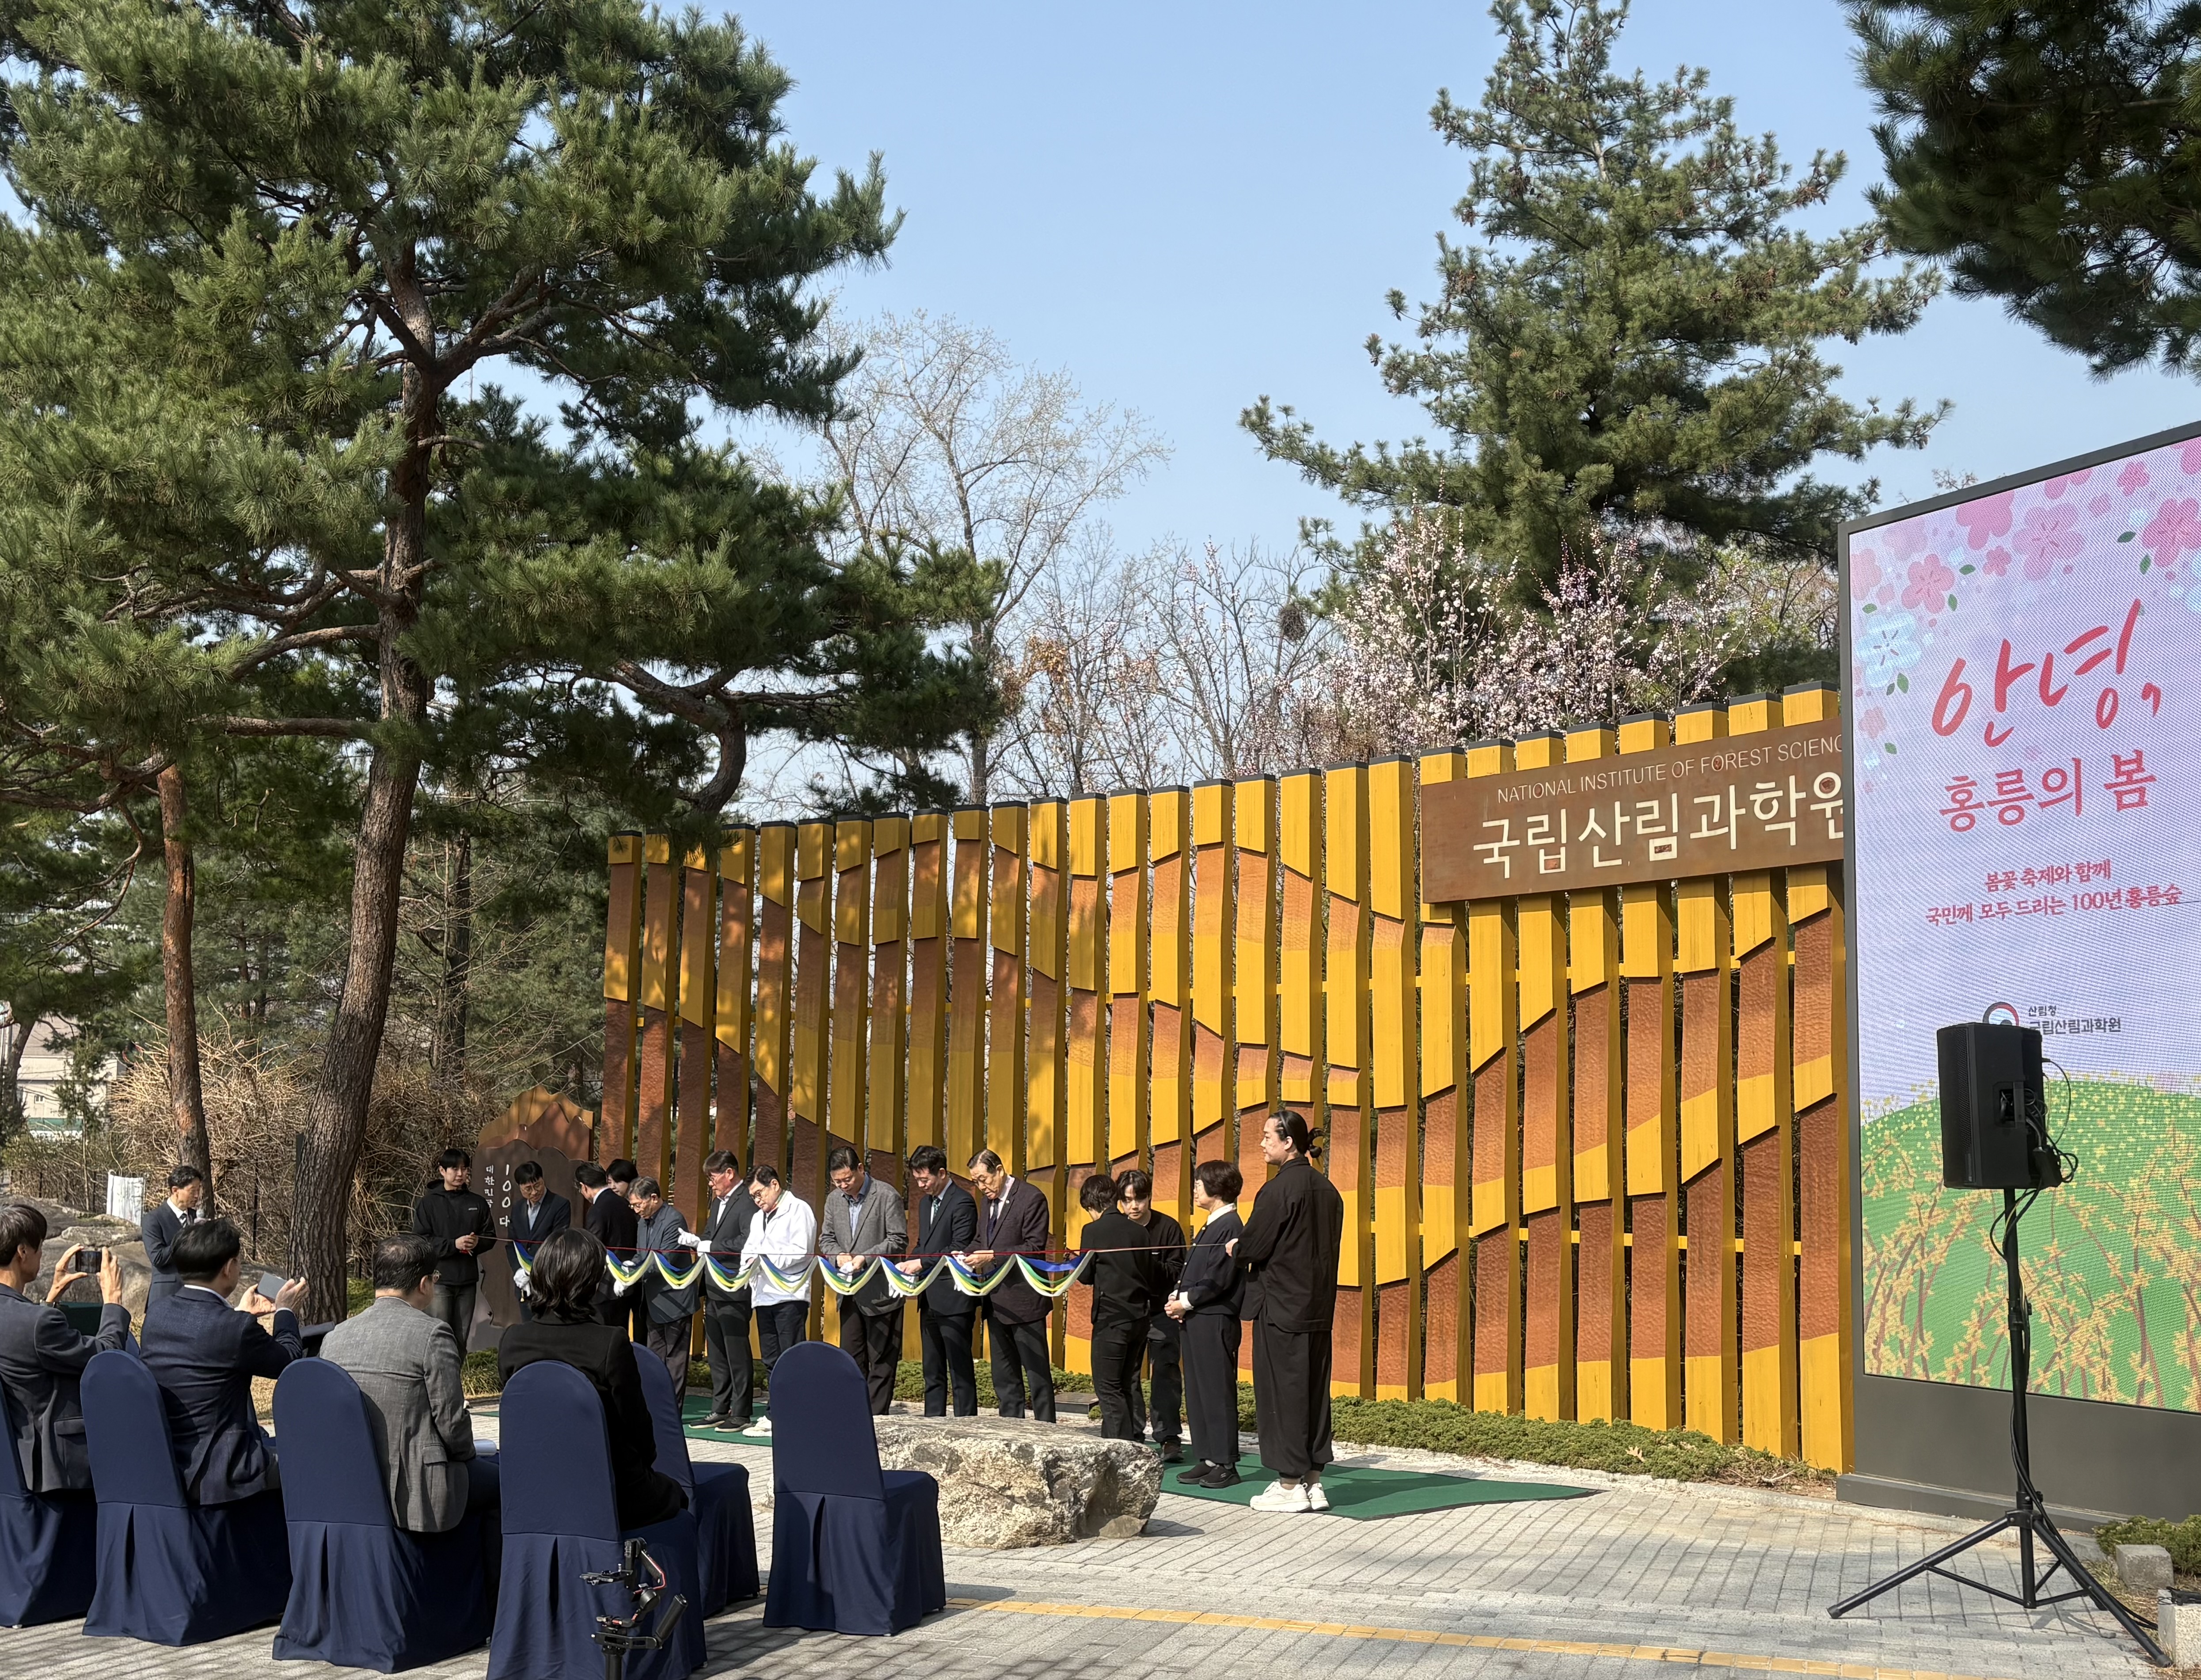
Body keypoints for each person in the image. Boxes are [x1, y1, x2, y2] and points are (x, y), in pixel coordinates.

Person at [496, 1228, 685, 1530]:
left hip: (534, 1492)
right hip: (610, 1493)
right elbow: (641, 1439)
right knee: (681, 1495)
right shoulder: (609, 1342)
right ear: (593, 1282)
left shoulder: (513, 1340)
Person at [319, 1236, 498, 1534]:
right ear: (426, 1283)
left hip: (353, 1482)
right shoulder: (433, 1334)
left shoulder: (335, 1337)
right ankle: (494, 1581)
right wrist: (469, 1454)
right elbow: (452, 1425)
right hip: (417, 1489)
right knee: (504, 1487)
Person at [140, 1218, 308, 1503]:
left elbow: (204, 1340)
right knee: (311, 1463)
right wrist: (285, 1312)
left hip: (170, 1464)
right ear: (229, 1268)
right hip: (226, 1472)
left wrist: (239, 1313)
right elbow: (288, 1361)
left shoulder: (156, 1315)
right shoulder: (234, 1329)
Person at [1235, 1111, 1343, 1513]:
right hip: (1317, 1307)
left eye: (1267, 1137)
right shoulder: (1328, 1190)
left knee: (1283, 1393)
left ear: (1289, 1143)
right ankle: (1313, 1483)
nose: (1261, 1144)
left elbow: (1253, 1245)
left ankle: (1287, 1484)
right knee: (1314, 1393)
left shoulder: (1279, 1189)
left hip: (1281, 1306)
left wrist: (1236, 1249)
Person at [0, 1202, 128, 1493]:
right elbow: (106, 1359)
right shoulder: (37, 1324)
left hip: (12, 1467)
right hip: (56, 1475)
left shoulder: (30, 1319)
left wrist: (50, 1302)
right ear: (22, 1252)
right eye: (39, 1248)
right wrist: (114, 1301)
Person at [1165, 1161, 1247, 1487]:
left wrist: (1185, 1301)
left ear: (1216, 1187)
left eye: (1200, 1183)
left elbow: (1220, 1276)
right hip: (1197, 1318)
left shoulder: (1229, 1224)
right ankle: (1208, 1456)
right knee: (1197, 1391)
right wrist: (1180, 1296)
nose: (1195, 1188)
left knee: (1216, 1391)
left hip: (1215, 1320)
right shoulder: (1213, 1224)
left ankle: (1226, 1462)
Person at [962, 1149, 1056, 1422]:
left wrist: (992, 1256)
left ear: (1000, 1170)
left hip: (1025, 1300)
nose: (981, 1187)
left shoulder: (1031, 1198)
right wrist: (963, 1255)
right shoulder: (986, 1203)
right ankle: (1011, 1429)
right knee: (1004, 1376)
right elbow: (982, 1240)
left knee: (1037, 1373)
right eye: (976, 1182)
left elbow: (1034, 1247)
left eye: (984, 1179)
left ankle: (1048, 1431)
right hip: (994, 1298)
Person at [1075, 1174, 1167, 1442]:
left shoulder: (1092, 1232)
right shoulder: (1139, 1231)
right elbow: (1148, 1273)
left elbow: (1085, 1275)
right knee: (1126, 1384)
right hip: (1139, 1318)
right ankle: (1129, 1442)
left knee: (1108, 1387)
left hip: (1111, 1318)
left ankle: (1117, 1451)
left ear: (1092, 1206)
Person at [820, 1144, 909, 1415]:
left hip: (881, 1292)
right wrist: (839, 1257)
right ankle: (852, 1412)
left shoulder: (886, 1196)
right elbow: (826, 1239)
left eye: (848, 1179)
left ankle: (876, 1417)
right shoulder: (834, 1200)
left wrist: (864, 1258)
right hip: (849, 1292)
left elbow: (898, 1239)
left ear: (861, 1169)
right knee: (851, 1356)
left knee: (881, 1358)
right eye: (837, 1181)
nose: (843, 1185)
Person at [737, 1163, 814, 1438]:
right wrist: (751, 1260)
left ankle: (798, 1412)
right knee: (771, 1357)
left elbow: (801, 1252)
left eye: (760, 1193)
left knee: (791, 1356)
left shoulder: (800, 1209)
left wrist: (765, 1257)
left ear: (774, 1185)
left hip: (789, 1295)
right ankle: (774, 1412)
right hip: (763, 1295)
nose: (758, 1201)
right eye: (753, 1197)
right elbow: (749, 1249)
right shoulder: (759, 1217)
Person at [899, 1145, 977, 1417]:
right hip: (929, 1297)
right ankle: (932, 1423)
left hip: (954, 1299)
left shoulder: (963, 1202)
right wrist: (907, 1263)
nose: (922, 1186)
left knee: (960, 1370)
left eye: (925, 1180)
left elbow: (959, 1247)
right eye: (917, 1180)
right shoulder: (925, 1204)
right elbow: (924, 1244)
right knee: (932, 1369)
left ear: (942, 1173)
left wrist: (921, 1262)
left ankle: (966, 1425)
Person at [1116, 1167, 1187, 1463]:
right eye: (1127, 1200)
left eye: (1139, 1199)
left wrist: (1146, 1261)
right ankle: (1132, 1435)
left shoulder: (1168, 1228)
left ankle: (1169, 1437)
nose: (1134, 1206)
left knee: (1166, 1372)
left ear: (1148, 1198)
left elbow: (1177, 1272)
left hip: (1160, 1312)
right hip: (1127, 1311)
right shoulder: (1117, 1229)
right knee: (1127, 1375)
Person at [693, 1151, 757, 1430]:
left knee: (737, 1352)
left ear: (729, 1173)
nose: (711, 1183)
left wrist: (713, 1247)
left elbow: (747, 1240)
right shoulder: (718, 1202)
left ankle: (741, 1412)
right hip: (713, 1286)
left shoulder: (747, 1200)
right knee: (716, 1353)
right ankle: (720, 1407)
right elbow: (710, 1234)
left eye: (713, 1176)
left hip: (735, 1287)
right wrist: (700, 1242)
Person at [410, 1148, 493, 1352]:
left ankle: (456, 1378)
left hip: (468, 1280)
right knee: (439, 1336)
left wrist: (477, 1243)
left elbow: (490, 1235)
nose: (460, 1174)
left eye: (465, 1169)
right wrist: (453, 1245)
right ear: (442, 1171)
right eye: (454, 1169)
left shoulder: (477, 1202)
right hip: (439, 1280)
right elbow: (421, 1241)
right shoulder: (429, 1203)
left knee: (461, 1339)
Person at [625, 1178, 697, 1395]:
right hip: (653, 1301)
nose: (636, 1210)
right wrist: (629, 1267)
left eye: (638, 1205)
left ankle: (672, 1413)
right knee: (655, 1357)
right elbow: (641, 1256)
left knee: (675, 1360)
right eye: (633, 1206)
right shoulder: (642, 1222)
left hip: (676, 1301)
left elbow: (664, 1261)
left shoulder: (674, 1220)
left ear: (654, 1198)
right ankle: (656, 1406)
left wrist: (632, 1275)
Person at [576, 1162, 640, 1329]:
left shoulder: (597, 1210)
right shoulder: (625, 1204)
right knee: (620, 1334)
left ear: (584, 1187)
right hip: (626, 1282)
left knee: (604, 1338)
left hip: (604, 1289)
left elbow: (593, 1251)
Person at [505, 1161, 570, 1323]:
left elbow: (556, 1244)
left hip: (547, 1280)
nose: (534, 1192)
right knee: (528, 1328)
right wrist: (519, 1271)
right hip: (524, 1285)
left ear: (543, 1180)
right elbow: (512, 1244)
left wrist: (532, 1272)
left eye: (538, 1185)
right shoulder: (518, 1208)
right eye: (528, 1189)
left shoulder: (560, 1205)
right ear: (520, 1187)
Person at [140, 1164, 205, 1307]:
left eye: (199, 1190)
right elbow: (157, 1258)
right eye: (192, 1191)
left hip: (196, 1297)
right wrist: (186, 1235)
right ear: (175, 1190)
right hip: (166, 1297)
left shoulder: (196, 1218)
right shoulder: (153, 1219)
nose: (197, 1196)